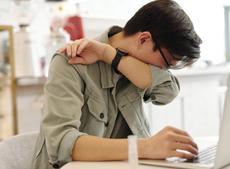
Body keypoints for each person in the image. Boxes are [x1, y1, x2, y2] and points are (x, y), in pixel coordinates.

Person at [31, 0, 202, 168]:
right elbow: (62, 144)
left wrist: (109, 55)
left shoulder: (133, 63)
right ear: (143, 39)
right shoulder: (71, 61)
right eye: (165, 64)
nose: (162, 70)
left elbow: (168, 91)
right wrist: (146, 147)